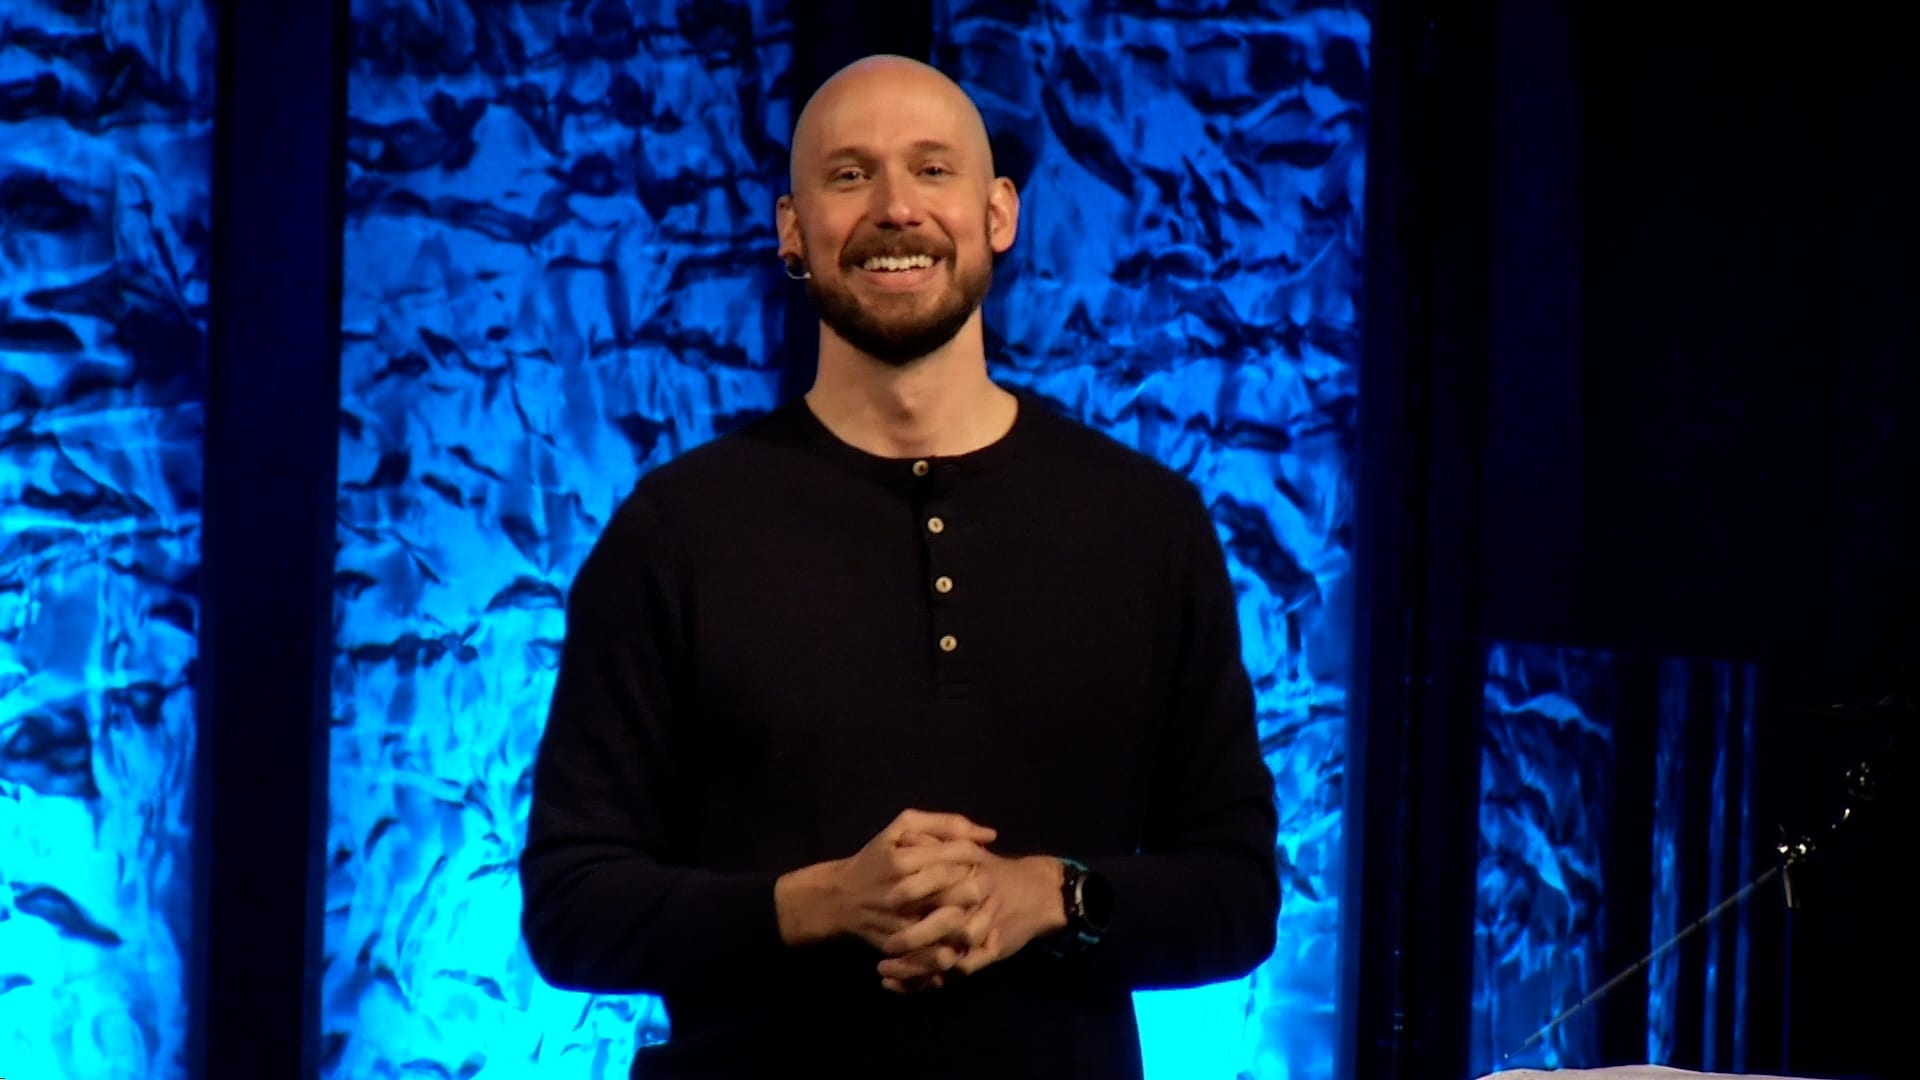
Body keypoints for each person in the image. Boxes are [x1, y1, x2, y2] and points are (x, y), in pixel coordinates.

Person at [519, 54, 1279, 1078]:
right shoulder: (673, 532)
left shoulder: (1148, 525)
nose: (894, 208)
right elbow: (572, 909)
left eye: (932, 170)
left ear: (998, 212)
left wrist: (1047, 897)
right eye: (848, 176)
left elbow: (1237, 896)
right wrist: (824, 904)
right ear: (793, 229)